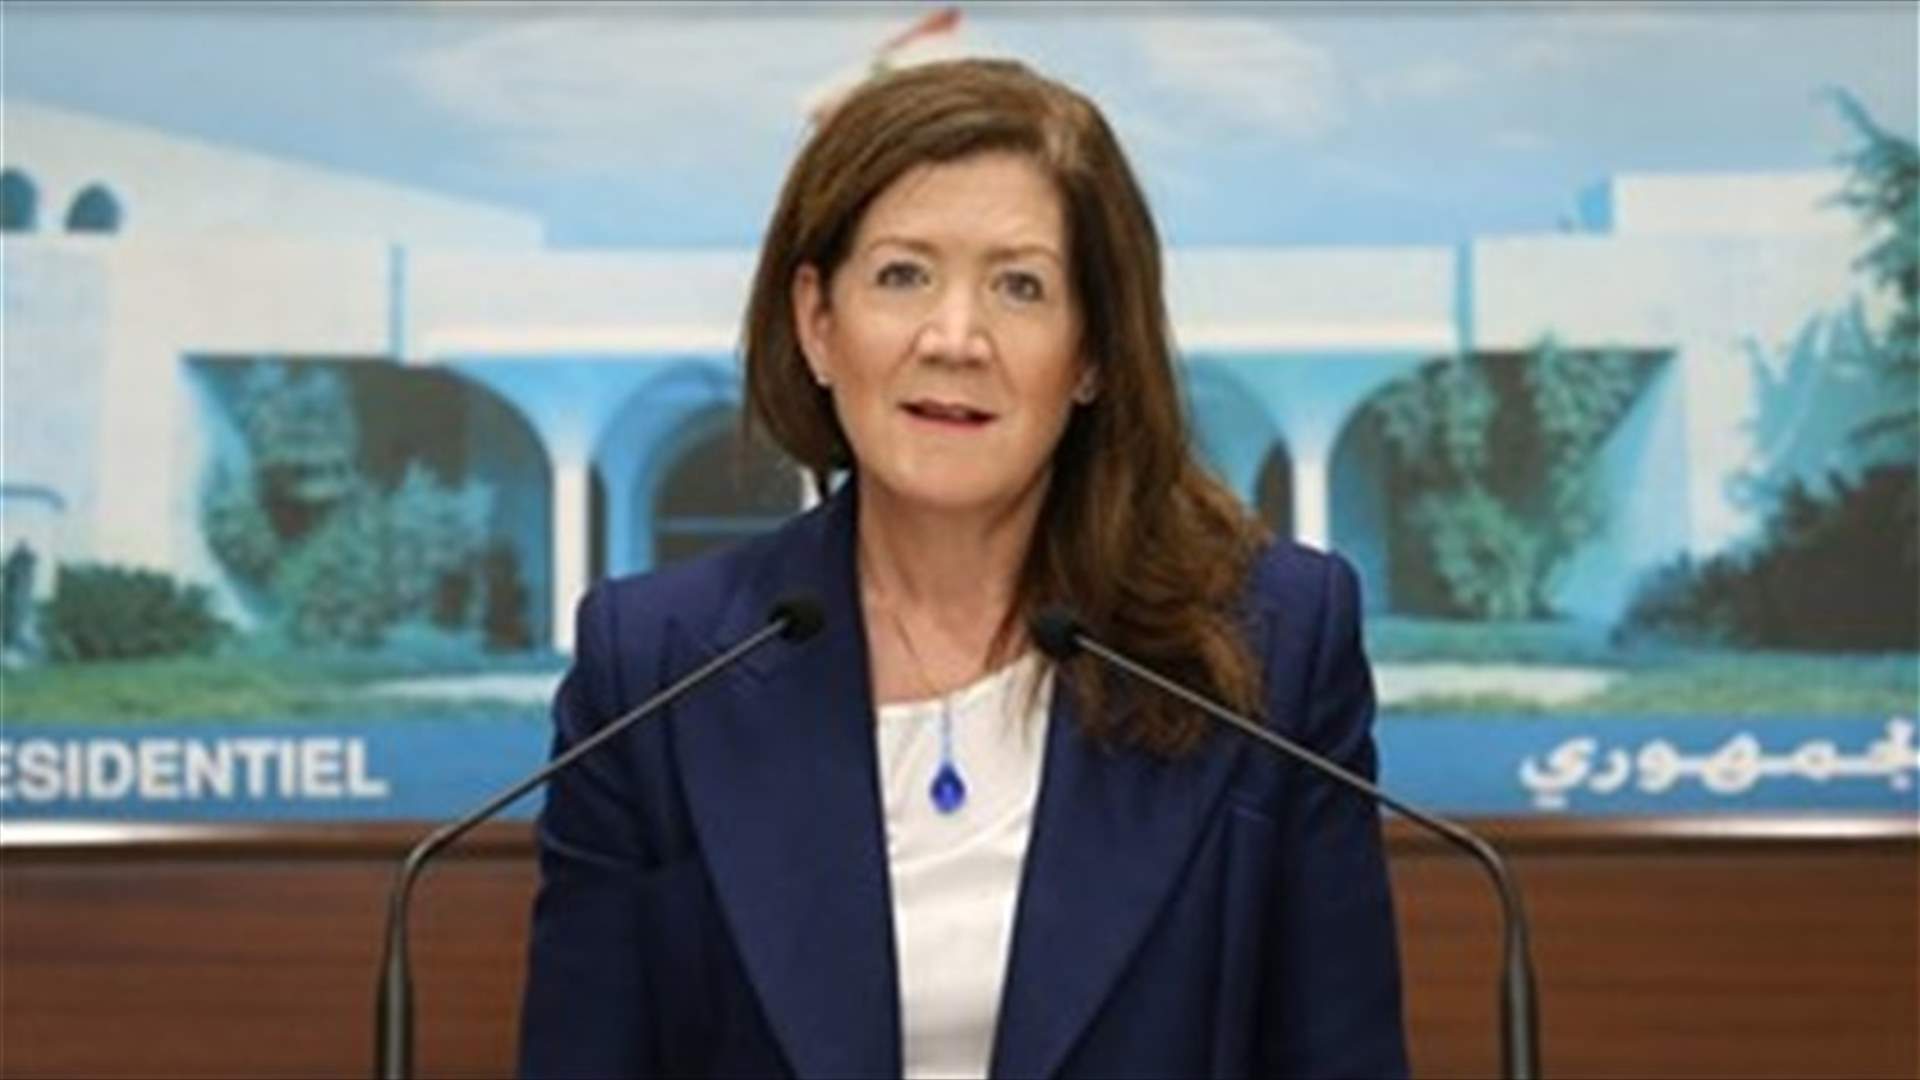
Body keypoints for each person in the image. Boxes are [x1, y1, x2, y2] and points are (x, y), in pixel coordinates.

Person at [518, 58, 1407, 1080]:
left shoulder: (1273, 642)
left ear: (1091, 355)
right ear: (818, 322)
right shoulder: (656, 668)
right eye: (903, 275)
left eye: (1020, 286)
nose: (955, 338)